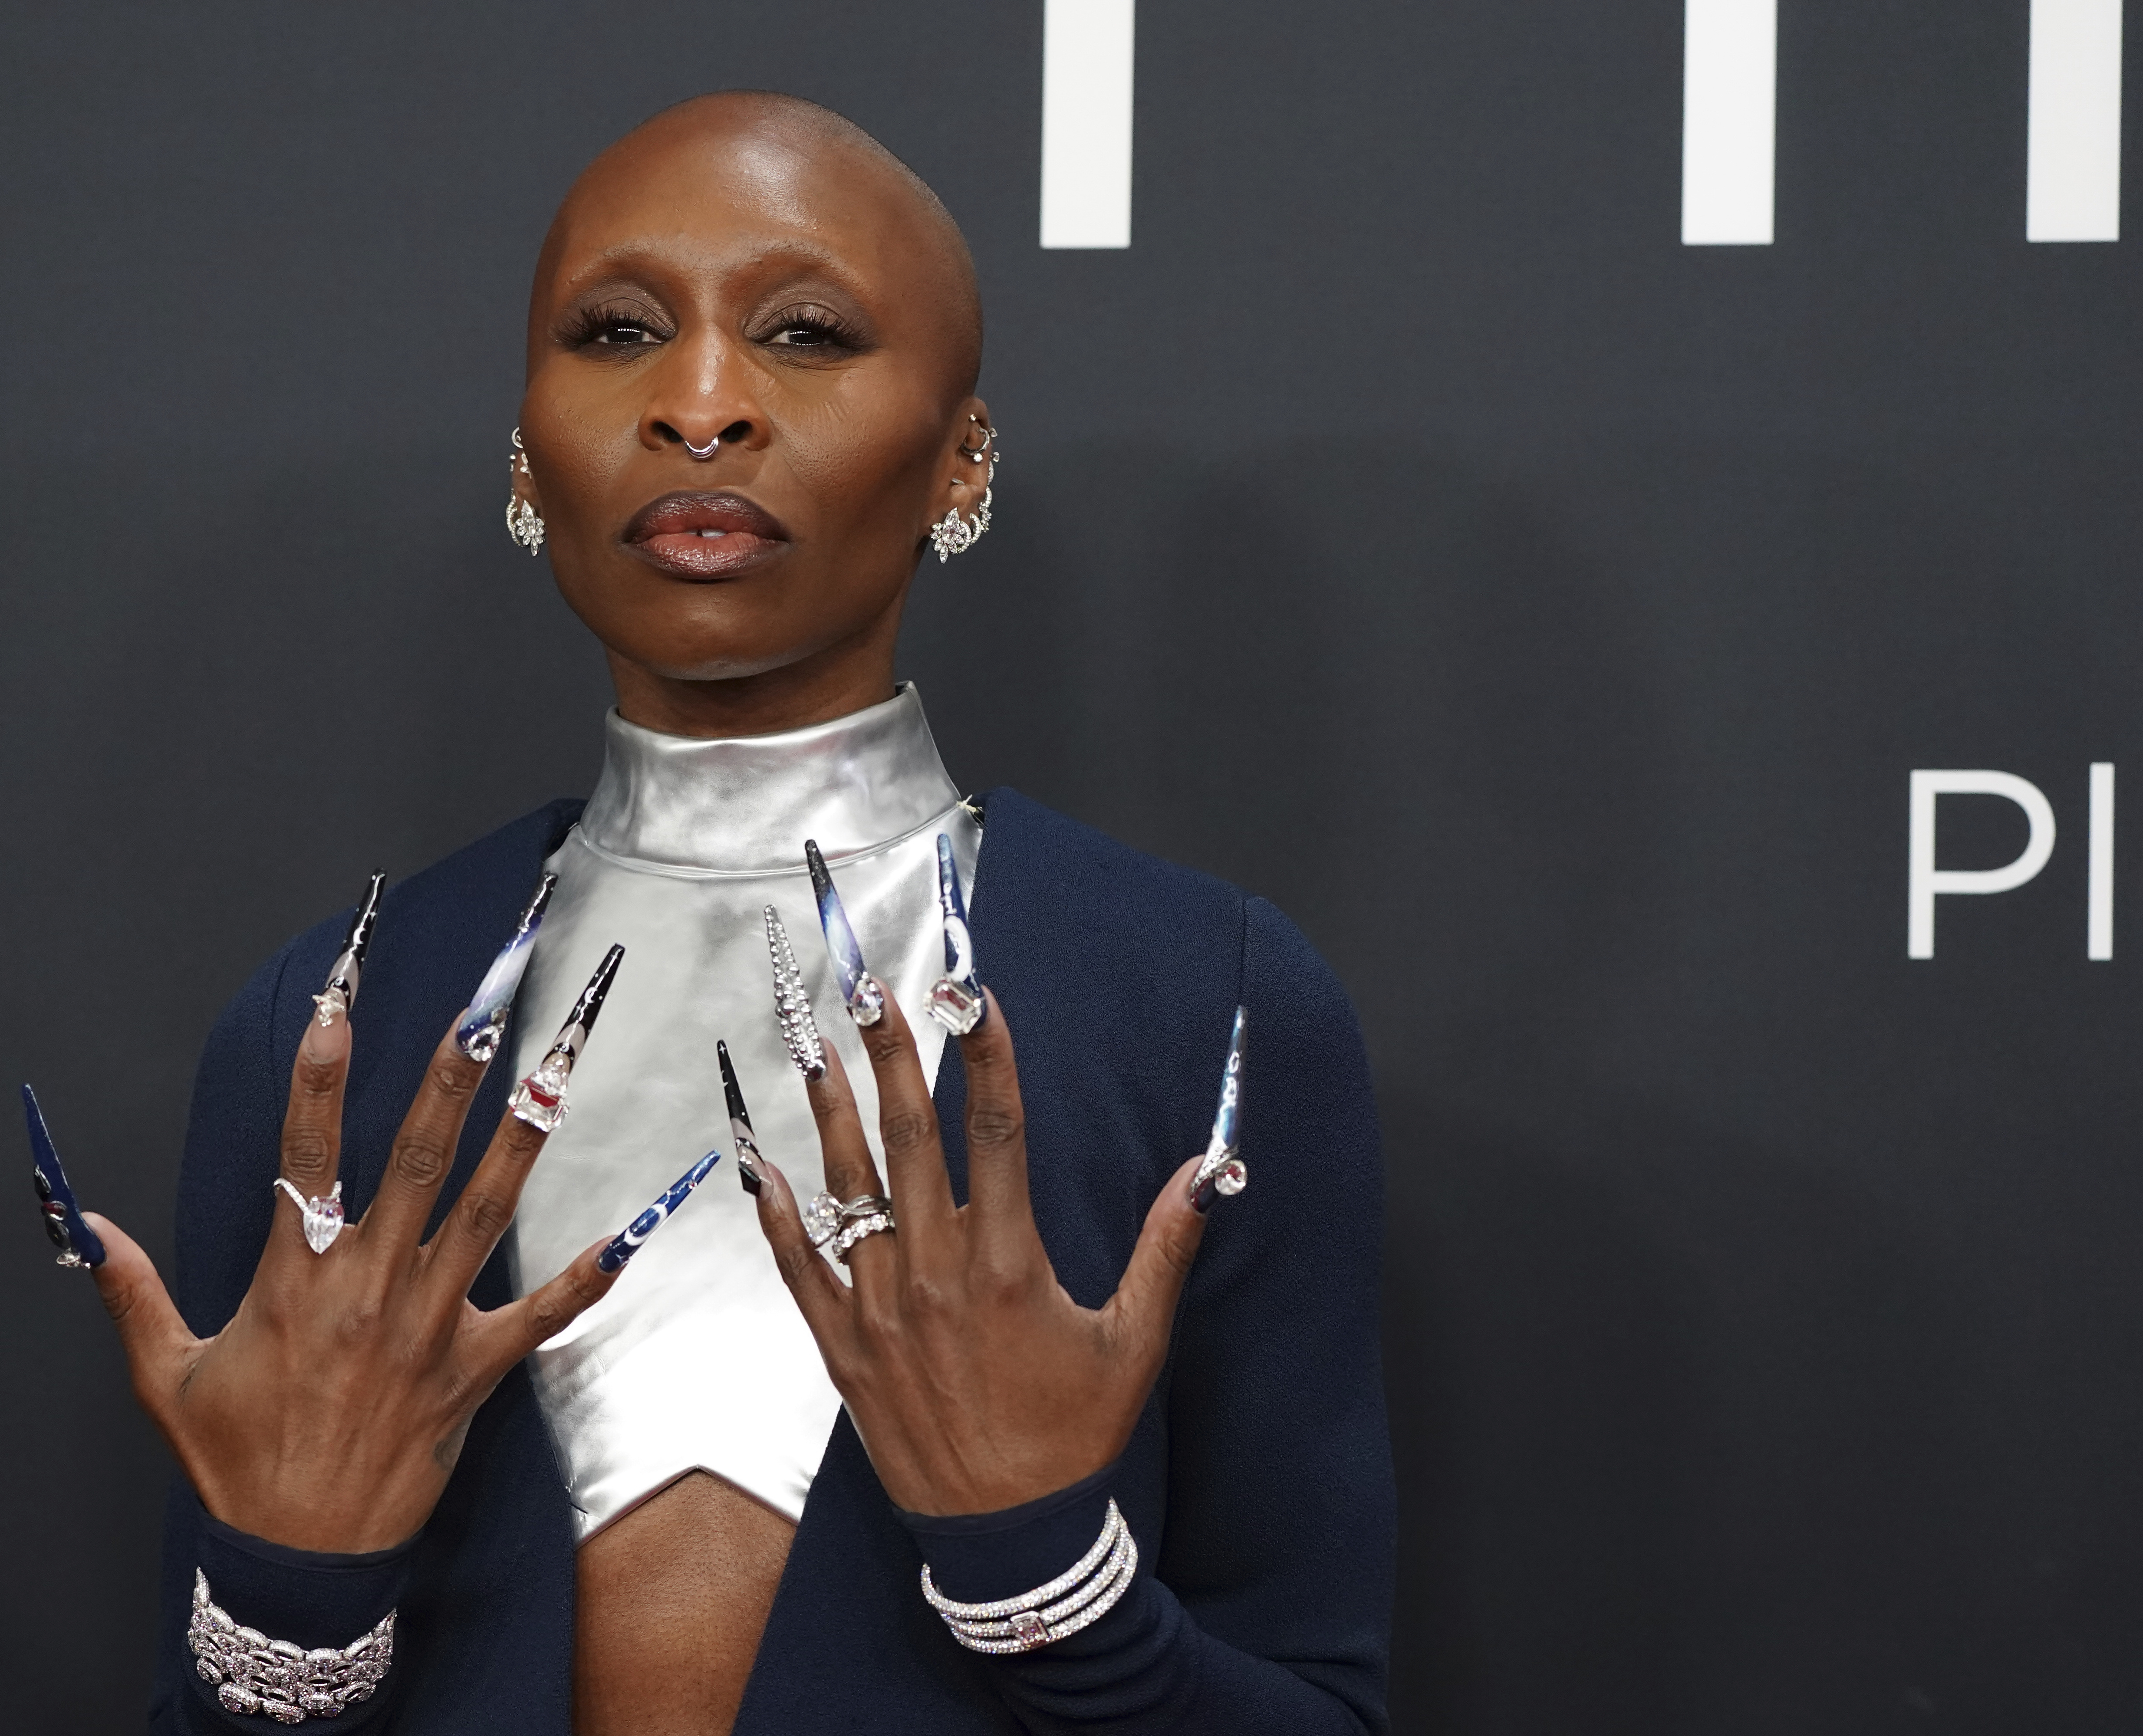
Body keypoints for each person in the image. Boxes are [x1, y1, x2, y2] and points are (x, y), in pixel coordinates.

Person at [67, 91, 1392, 1735]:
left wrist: (1050, 1579)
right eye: (618, 331)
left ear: (962, 454)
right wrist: (292, 1600)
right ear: (527, 447)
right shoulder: (335, 1018)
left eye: (808, 335)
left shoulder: (1205, 1002)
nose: (700, 405)